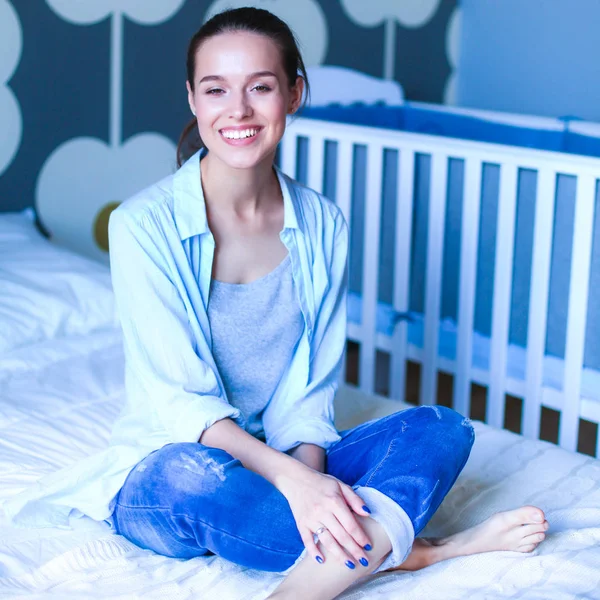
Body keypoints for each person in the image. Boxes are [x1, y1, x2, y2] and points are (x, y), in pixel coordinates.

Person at [4, 7, 549, 600]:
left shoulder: (322, 223)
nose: (237, 111)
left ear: (293, 93)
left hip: (285, 455)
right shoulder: (143, 226)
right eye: (216, 89)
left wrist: (310, 481)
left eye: (260, 87)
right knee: (193, 478)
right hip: (177, 467)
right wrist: (295, 485)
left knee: (441, 428)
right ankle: (422, 550)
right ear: (192, 99)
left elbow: (308, 391)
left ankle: (325, 571)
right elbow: (181, 403)